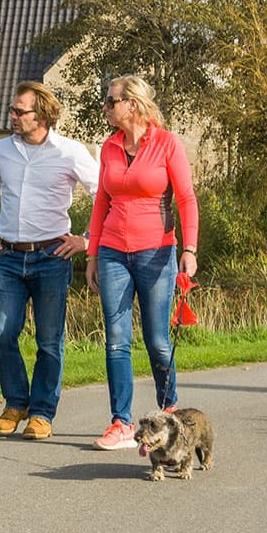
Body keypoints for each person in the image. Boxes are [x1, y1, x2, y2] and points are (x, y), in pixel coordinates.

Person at [84, 74, 199, 450]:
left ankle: (170, 411)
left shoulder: (166, 143)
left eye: (110, 100)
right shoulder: (110, 147)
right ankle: (120, 423)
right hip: (114, 251)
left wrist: (189, 250)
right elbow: (102, 201)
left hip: (157, 252)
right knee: (117, 340)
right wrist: (93, 253)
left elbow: (186, 199)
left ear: (131, 104)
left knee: (157, 341)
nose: (105, 105)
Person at [0, 81, 98, 440]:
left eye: (20, 111)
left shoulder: (69, 152)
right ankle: (16, 402)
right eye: (12, 110)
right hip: (10, 257)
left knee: (49, 339)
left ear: (42, 115)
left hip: (52, 256)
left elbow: (104, 193)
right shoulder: (1, 150)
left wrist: (87, 240)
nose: (12, 116)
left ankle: (42, 413)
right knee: (1, 333)